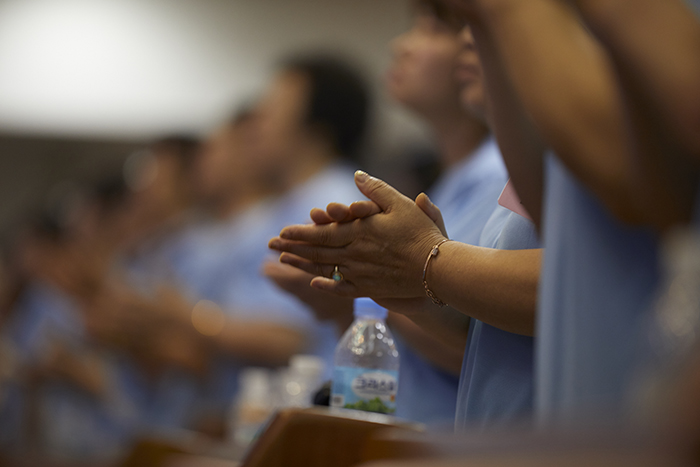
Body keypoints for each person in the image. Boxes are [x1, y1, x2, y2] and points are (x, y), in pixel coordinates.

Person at [270, 21, 544, 431]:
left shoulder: (500, 170)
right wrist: (378, 284)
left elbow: (559, 296)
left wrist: (416, 265)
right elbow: (481, 334)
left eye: (435, 28)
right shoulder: (461, 179)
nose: (468, 37)